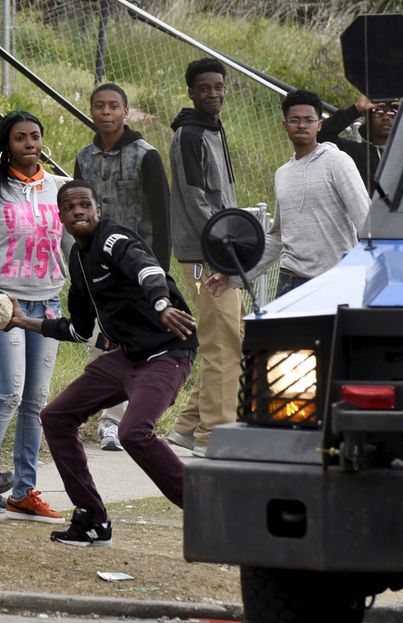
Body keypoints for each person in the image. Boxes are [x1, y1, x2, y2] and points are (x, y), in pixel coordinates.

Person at [6, 180, 197, 546]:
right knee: (56, 417)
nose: (78, 211)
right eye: (70, 207)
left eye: (85, 205)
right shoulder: (77, 259)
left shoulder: (114, 240)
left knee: (133, 431)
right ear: (60, 216)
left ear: (98, 210)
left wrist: (162, 304)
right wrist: (24, 322)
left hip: (167, 353)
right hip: (125, 356)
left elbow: (148, 271)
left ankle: (206, 508)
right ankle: (92, 520)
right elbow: (79, 329)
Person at [0, 111, 67, 523]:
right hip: (4, 305)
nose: (29, 144)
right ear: (7, 144)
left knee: (36, 402)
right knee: (7, 394)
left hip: (49, 303)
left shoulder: (55, 188)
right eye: (20, 138)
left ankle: (25, 491)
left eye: (35, 136)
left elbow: (73, 245)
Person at [74, 82, 172, 452]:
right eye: (99, 106)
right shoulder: (84, 157)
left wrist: (159, 271)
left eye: (113, 106)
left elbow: (162, 216)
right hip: (98, 266)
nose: (106, 112)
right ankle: (104, 417)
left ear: (125, 111)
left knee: (135, 341)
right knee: (102, 342)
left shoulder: (146, 155)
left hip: (138, 266)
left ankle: (116, 421)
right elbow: (75, 209)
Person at [207, 90, 370, 299]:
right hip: (290, 283)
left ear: (319, 125)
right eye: (295, 120)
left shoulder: (338, 162)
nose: (302, 125)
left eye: (309, 120)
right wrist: (235, 276)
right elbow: (277, 237)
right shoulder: (282, 174)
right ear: (285, 125)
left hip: (335, 281)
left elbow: (365, 219)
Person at [167, 57, 242, 458]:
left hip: (221, 250)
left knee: (226, 337)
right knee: (223, 345)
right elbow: (197, 200)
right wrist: (225, 244)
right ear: (191, 93)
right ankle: (213, 437)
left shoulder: (214, 128)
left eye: (219, 86)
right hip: (206, 255)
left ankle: (187, 427)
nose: (213, 93)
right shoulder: (190, 135)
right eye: (205, 88)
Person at [317, 94, 398, 188]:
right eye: (378, 111)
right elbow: (320, 135)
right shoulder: (353, 151)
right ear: (367, 118)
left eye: (393, 112)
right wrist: (356, 109)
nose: (386, 117)